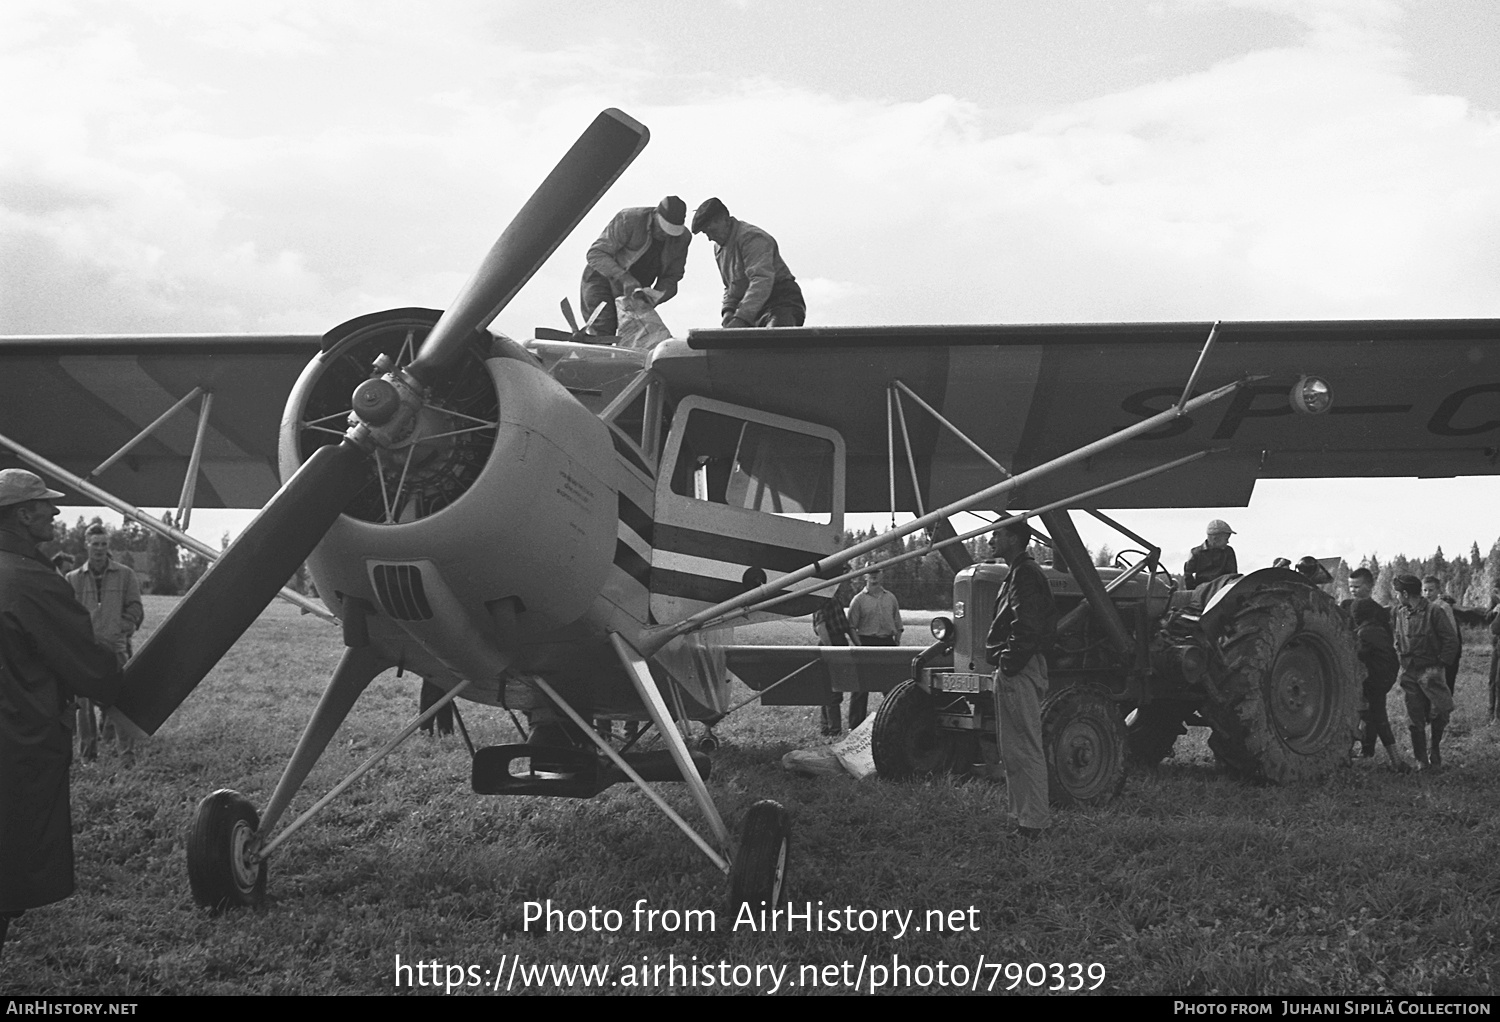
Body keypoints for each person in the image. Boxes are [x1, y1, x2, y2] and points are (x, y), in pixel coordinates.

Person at [0, 470, 122, 957]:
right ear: (23, 514)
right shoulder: (30, 580)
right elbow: (89, 665)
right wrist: (116, 681)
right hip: (18, 745)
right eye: (44, 505)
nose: (53, 511)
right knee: (11, 862)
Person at [984, 519, 1059, 838]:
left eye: (996, 535)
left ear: (1014, 539)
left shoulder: (1025, 574)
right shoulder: (1018, 572)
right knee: (1014, 747)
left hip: (1021, 666)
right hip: (1018, 665)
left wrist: (1008, 663)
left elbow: (1026, 626)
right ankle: (1023, 816)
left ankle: (1035, 823)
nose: (990, 541)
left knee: (1025, 745)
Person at [67, 524, 143, 763]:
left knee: (122, 699)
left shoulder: (125, 574)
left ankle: (126, 755)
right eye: (95, 544)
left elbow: (135, 607)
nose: (99, 549)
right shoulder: (72, 579)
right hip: (84, 651)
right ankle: (88, 755)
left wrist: (124, 626)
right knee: (84, 704)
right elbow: (66, 612)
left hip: (115, 648)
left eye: (104, 544)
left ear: (108, 546)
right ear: (86, 545)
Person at [580, 196, 690, 338]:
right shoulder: (629, 219)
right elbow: (596, 254)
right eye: (662, 228)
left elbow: (672, 276)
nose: (665, 235)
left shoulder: (682, 238)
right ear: (655, 214)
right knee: (604, 329)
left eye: (670, 232)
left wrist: (656, 296)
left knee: (637, 335)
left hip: (634, 293)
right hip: (602, 280)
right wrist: (623, 277)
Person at [690, 197, 806, 327]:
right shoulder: (719, 247)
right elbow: (731, 287)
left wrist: (741, 317)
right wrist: (728, 311)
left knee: (776, 340)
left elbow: (761, 280)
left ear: (725, 220)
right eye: (706, 233)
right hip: (751, 308)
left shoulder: (752, 238)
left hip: (781, 302)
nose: (710, 238)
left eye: (712, 231)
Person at [1392, 574, 1456, 769]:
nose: (1396, 597)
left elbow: (1450, 641)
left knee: (1440, 713)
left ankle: (1434, 749)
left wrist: (1439, 666)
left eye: (1397, 593)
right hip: (1410, 673)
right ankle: (1421, 760)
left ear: (1404, 593)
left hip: (1431, 672)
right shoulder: (1400, 612)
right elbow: (1398, 637)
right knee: (1414, 717)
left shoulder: (1434, 611)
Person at [1349, 597, 1410, 771]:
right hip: (1382, 679)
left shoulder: (1366, 632)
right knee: (1373, 716)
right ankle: (1369, 753)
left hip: (1374, 680)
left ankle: (1397, 761)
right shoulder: (1377, 629)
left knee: (1378, 717)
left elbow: (1359, 653)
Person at [844, 570, 904, 730]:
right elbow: (851, 626)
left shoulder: (890, 597)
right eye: (870, 573)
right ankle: (855, 727)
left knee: (892, 686)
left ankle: (897, 724)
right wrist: (860, 646)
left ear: (882, 574)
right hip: (866, 642)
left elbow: (897, 621)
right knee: (861, 687)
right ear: (865, 576)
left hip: (887, 643)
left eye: (877, 572)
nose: (874, 576)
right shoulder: (858, 600)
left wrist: (897, 639)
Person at [811, 580, 855, 736]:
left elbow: (846, 626)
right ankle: (833, 730)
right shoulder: (821, 600)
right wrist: (830, 650)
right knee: (832, 691)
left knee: (832, 689)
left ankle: (827, 728)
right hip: (831, 644)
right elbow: (820, 627)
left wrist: (857, 645)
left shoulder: (834, 599)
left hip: (838, 643)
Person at [1421, 576, 1462, 694]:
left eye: (1431, 590)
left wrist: (1446, 656)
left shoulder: (1443, 607)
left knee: (1445, 687)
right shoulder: (1424, 608)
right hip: (1431, 654)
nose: (1427, 593)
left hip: (1445, 654)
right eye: (1425, 590)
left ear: (1439, 591)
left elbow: (1452, 632)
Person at [1183, 520, 1238, 588]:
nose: (1228, 542)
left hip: (1222, 590)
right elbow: (1188, 576)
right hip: (1202, 592)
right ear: (1215, 539)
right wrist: (1194, 592)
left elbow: (1233, 575)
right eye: (1226, 539)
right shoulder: (1196, 553)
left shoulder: (1228, 552)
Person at [1487, 588, 1500, 724]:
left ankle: (1497, 716)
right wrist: (1495, 611)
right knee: (1492, 680)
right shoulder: (1496, 602)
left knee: (1498, 681)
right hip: (1496, 643)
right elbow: (1487, 617)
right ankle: (1491, 712)